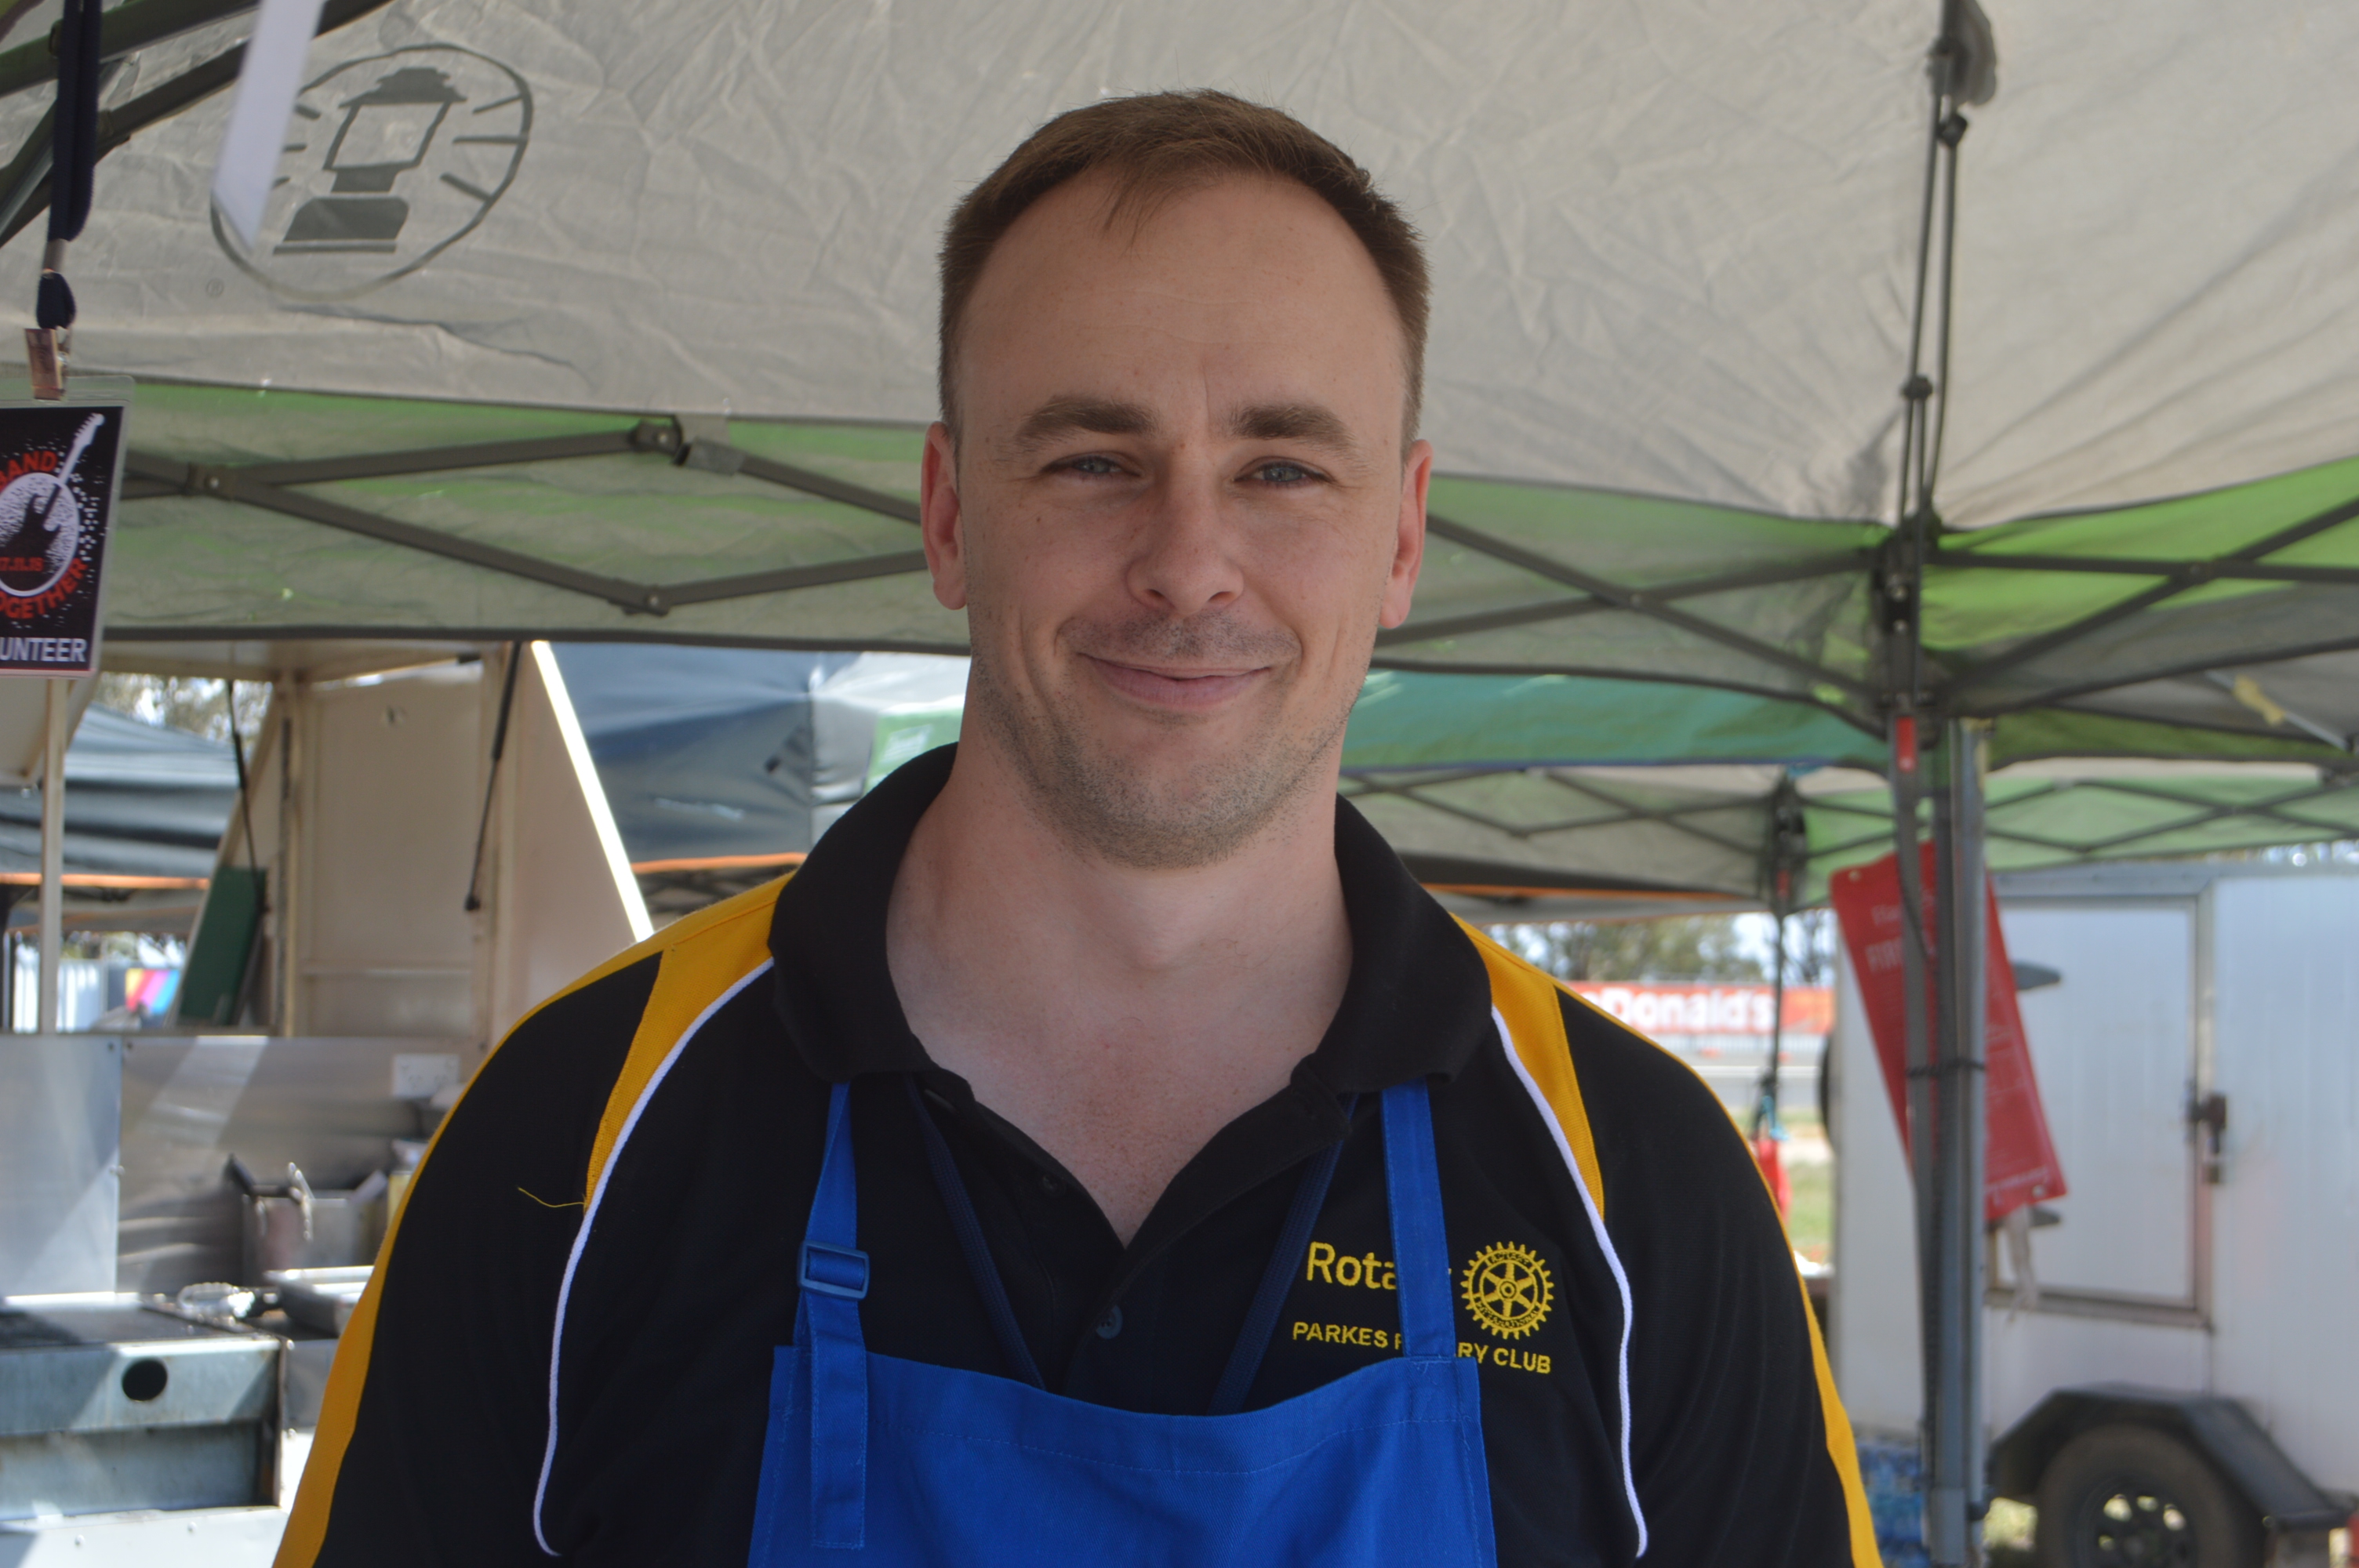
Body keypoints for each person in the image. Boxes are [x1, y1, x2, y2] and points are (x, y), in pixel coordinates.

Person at [278, 90, 1876, 1567]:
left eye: (1280, 467)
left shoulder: (1637, 1186)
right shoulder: (577, 1133)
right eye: (1095, 458)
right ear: (949, 513)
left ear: (1400, 536)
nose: (1188, 563)